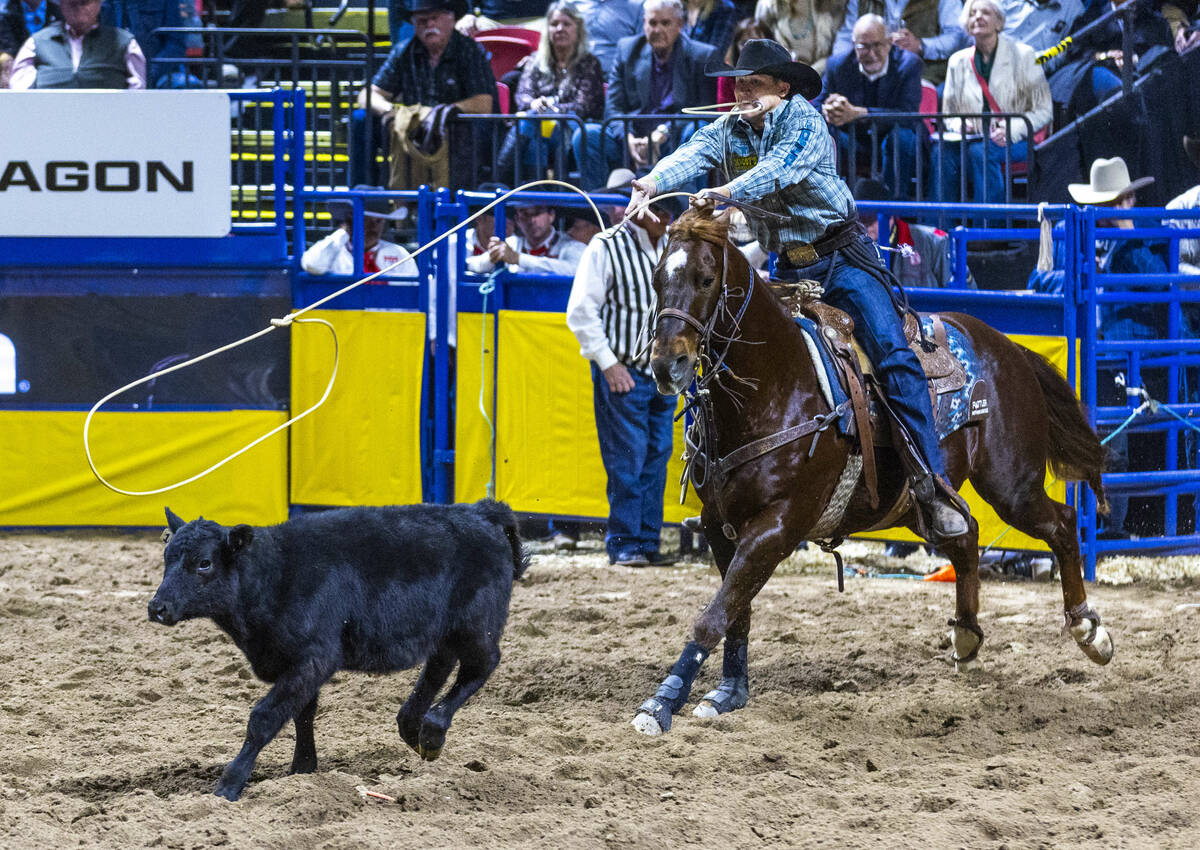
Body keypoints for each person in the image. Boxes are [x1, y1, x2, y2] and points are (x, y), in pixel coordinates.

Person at [628, 38, 971, 539]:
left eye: (754, 83)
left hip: (843, 259)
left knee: (892, 353)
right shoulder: (730, 129)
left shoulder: (806, 122)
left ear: (782, 88)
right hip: (788, 266)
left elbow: (781, 169)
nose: (741, 91)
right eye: (738, 83)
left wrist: (727, 191)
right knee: (738, 352)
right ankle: (733, 478)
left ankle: (931, 482)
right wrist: (652, 182)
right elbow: (694, 151)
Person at [566, 186, 683, 566]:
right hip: (625, 369)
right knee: (628, 460)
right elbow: (581, 311)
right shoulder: (605, 245)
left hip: (662, 372)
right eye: (660, 212)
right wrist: (607, 362)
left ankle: (646, 542)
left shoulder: (672, 246)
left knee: (656, 455)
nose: (663, 220)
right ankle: (625, 542)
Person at [573, 0, 721, 193]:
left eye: (665, 23)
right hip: (632, 140)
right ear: (643, 24)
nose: (657, 29)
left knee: (697, 130)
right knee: (587, 135)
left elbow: (702, 111)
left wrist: (662, 133)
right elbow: (613, 108)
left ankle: (689, 212)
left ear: (680, 25)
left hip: (673, 141)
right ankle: (596, 212)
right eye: (652, 23)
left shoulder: (701, 55)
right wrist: (628, 138)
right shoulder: (627, 50)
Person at [353, 0, 497, 188]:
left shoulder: (469, 51)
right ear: (413, 24)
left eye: (434, 19)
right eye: (422, 21)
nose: (429, 25)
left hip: (457, 128)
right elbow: (367, 95)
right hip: (415, 126)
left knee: (473, 129)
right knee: (361, 119)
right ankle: (364, 197)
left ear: (451, 19)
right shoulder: (404, 51)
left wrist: (448, 111)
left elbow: (484, 103)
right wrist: (392, 111)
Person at [932, 0, 1051, 207]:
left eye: (985, 12)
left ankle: (988, 234)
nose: (977, 17)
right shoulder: (957, 61)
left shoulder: (1024, 55)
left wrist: (1012, 129)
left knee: (981, 152)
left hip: (1019, 139)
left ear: (999, 22)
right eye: (972, 13)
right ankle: (939, 232)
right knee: (941, 152)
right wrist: (958, 125)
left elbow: (1044, 110)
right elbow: (949, 113)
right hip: (973, 138)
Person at [817, 14, 926, 199]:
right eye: (864, 47)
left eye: (878, 45)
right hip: (853, 139)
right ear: (853, 44)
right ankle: (832, 206)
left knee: (902, 137)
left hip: (893, 138)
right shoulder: (838, 64)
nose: (872, 54)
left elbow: (907, 115)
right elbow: (816, 105)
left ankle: (893, 213)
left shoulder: (909, 64)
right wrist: (828, 109)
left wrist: (860, 113)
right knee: (824, 131)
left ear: (890, 42)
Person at [497, 1, 605, 183]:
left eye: (566, 24)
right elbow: (523, 95)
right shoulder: (535, 61)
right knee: (534, 142)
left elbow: (583, 106)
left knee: (528, 121)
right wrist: (533, 103)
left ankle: (499, 177)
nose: (559, 29)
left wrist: (549, 107)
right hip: (538, 129)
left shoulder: (590, 63)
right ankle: (539, 203)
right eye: (554, 24)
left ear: (577, 29)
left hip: (571, 129)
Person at [853, 177, 969, 288]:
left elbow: (966, 297)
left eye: (871, 220)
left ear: (891, 216)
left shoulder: (935, 241)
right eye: (859, 220)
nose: (864, 227)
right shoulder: (847, 248)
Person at [8, 0, 144, 88]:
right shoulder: (36, 43)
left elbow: (137, 96)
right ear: (61, 5)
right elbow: (20, 94)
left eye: (84, 3)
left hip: (108, 124)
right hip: (49, 123)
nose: (78, 9)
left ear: (98, 4)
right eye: (72, 3)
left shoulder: (125, 42)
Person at [301, 187, 419, 280]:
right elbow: (312, 265)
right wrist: (343, 232)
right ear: (350, 220)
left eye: (378, 221)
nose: (373, 227)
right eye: (366, 220)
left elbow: (415, 295)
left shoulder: (398, 254)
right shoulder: (333, 250)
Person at [859, 0, 969, 86]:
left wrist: (921, 46)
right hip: (872, 73)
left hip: (927, 75)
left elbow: (957, 38)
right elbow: (848, 36)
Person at [467, 198, 587, 275]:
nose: (532, 220)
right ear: (517, 220)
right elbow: (472, 265)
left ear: (551, 216)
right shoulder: (511, 244)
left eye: (538, 212)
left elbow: (574, 270)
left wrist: (519, 259)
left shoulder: (570, 246)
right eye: (525, 214)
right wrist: (492, 258)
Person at [754, 0, 856, 74]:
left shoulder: (831, 5)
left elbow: (838, 51)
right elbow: (759, 53)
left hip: (822, 77)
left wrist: (811, 73)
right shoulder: (767, 6)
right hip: (779, 78)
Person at [0, 0, 61, 86]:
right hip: (17, 70)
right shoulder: (5, 14)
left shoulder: (60, 11)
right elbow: (8, 49)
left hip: (54, 69)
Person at [715, 17, 769, 105]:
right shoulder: (727, 76)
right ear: (736, 46)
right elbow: (725, 112)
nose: (750, 48)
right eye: (744, 43)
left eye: (756, 42)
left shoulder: (786, 70)